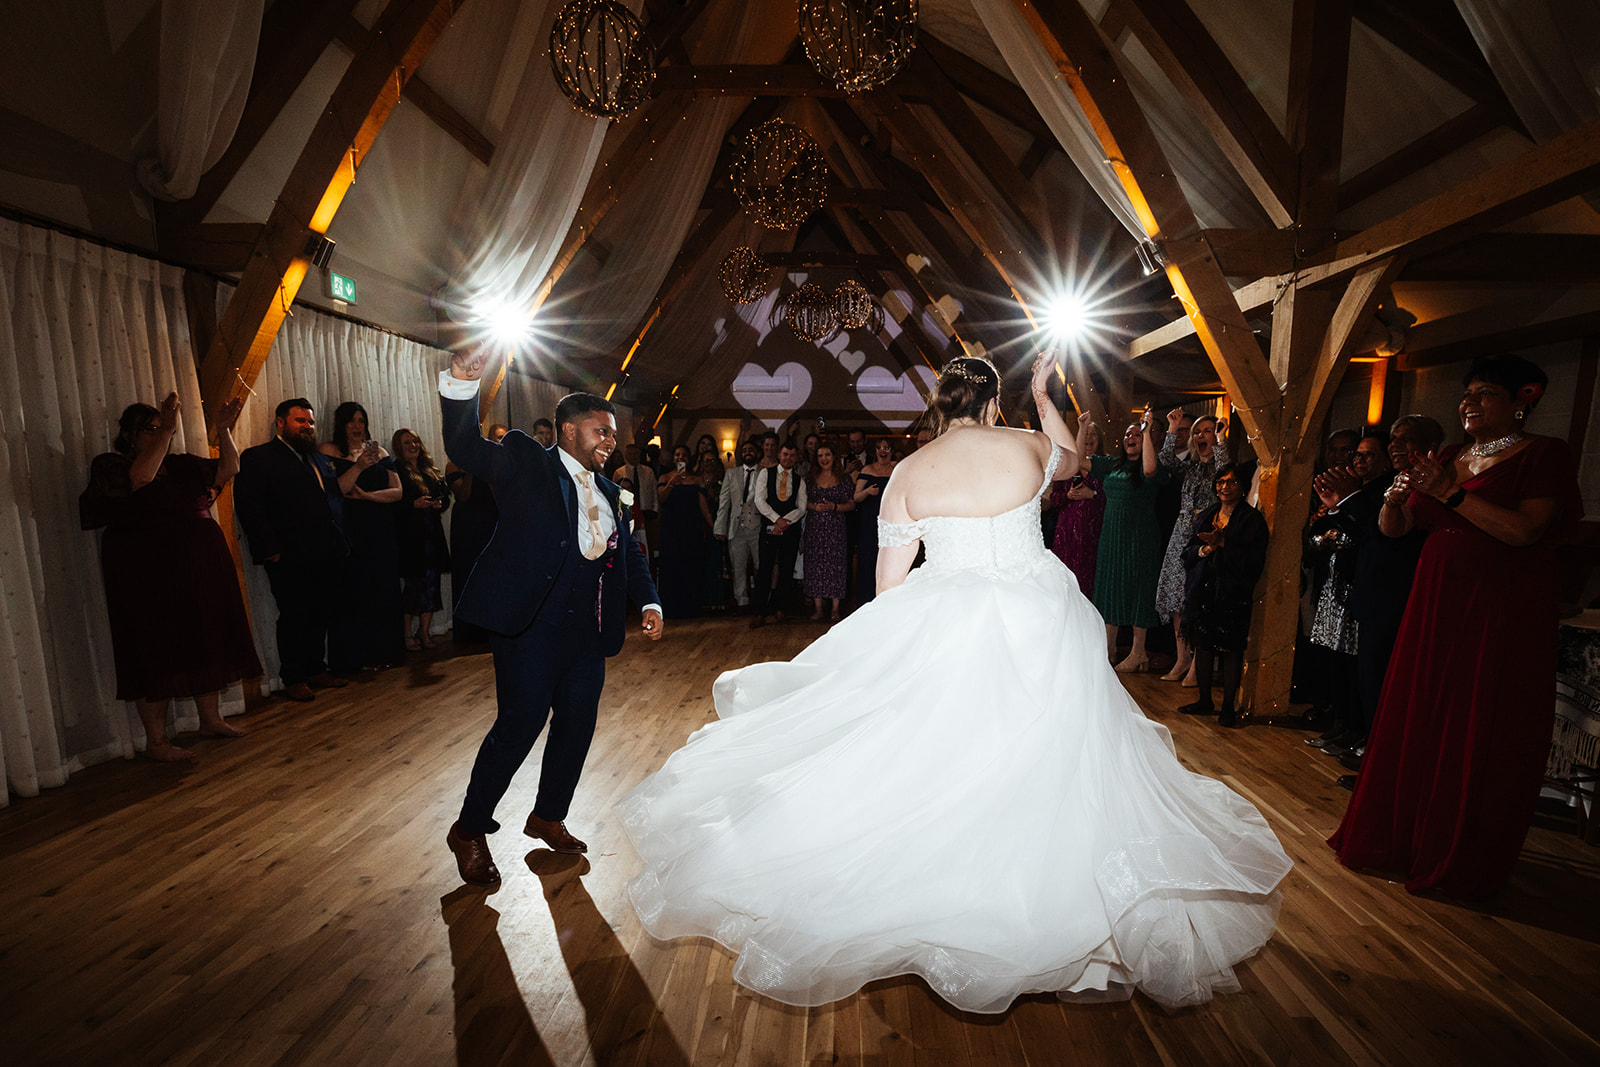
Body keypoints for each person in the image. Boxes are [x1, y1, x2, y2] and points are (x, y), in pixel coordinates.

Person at [619, 353, 1291, 1013]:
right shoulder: (1029, 445)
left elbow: (887, 584)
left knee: (949, 762)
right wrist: (1046, 394)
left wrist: (901, 633)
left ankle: (954, 903)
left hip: (949, 623)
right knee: (1059, 764)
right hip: (1040, 618)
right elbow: (1074, 462)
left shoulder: (909, 471)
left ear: (939, 405)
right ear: (995, 403)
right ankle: (1079, 933)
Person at [1330, 354, 1583, 899]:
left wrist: (1449, 493)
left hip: (1500, 607)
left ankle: (1456, 850)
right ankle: (1400, 838)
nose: (1469, 402)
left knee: (1474, 721)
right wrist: (1394, 502)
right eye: (1467, 392)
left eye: (1486, 392)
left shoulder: (1543, 454)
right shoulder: (1451, 455)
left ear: (1524, 399)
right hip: (1435, 601)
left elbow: (1524, 532)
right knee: (1420, 712)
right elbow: (1397, 531)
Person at [438, 348, 663, 887]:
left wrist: (649, 600)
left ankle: (547, 816)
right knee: (519, 725)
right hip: (529, 625)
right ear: (566, 430)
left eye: (612, 433)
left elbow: (629, 553)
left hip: (590, 629)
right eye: (599, 431)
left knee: (576, 727)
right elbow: (464, 446)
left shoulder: (613, 491)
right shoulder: (523, 461)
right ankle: (469, 829)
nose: (609, 441)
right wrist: (462, 385)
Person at [80, 393, 261, 760]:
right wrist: (167, 429)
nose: (159, 432)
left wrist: (224, 429)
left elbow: (229, 469)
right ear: (129, 436)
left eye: (160, 427)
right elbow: (141, 478)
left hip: (198, 565)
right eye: (149, 429)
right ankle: (157, 741)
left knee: (205, 635)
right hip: (147, 572)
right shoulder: (112, 465)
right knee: (154, 646)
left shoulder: (180, 464)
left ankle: (209, 720)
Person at [235, 397, 351, 702]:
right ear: (281, 422)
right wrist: (268, 548)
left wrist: (341, 541)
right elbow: (250, 507)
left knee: (321, 612)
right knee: (294, 614)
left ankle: (316, 669)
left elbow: (332, 500)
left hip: (327, 550)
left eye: (310, 422)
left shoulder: (316, 458)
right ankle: (294, 676)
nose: (307, 427)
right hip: (288, 553)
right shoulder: (258, 457)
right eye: (300, 421)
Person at [1303, 433, 1392, 756]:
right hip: (1333, 583)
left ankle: (1357, 730)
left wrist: (1341, 512)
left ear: (1386, 460)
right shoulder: (1356, 493)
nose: (1358, 460)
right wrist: (1331, 516)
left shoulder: (1380, 492)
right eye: (1357, 455)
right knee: (1334, 659)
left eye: (1368, 455)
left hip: (1361, 587)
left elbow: (1369, 535)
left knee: (1356, 665)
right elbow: (1320, 533)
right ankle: (1340, 723)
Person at [1176, 466, 1268, 726]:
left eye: (1231, 482)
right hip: (1204, 589)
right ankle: (1204, 700)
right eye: (1220, 482)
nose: (1224, 487)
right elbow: (1188, 552)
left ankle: (1228, 706)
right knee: (1203, 646)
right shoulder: (1207, 515)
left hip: (1233, 591)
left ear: (1242, 487)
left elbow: (1254, 560)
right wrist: (1206, 548)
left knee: (1231, 649)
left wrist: (1225, 544)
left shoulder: (1251, 519)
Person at [320, 402, 405, 671]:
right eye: (352, 421)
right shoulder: (327, 451)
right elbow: (336, 490)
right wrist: (357, 467)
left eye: (361, 420)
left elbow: (398, 491)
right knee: (354, 589)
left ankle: (385, 652)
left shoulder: (378, 451)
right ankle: (355, 658)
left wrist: (368, 496)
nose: (358, 426)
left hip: (380, 526)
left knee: (382, 587)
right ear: (341, 424)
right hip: (349, 527)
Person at [1155, 410, 1229, 684]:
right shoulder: (1192, 467)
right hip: (1180, 532)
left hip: (1205, 533)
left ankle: (1200, 664)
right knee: (1176, 598)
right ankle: (1182, 657)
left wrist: (1220, 441)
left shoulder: (1221, 468)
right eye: (1198, 432)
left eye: (1207, 431)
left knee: (1197, 598)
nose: (1201, 436)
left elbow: (1224, 466)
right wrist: (1172, 428)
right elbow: (1164, 460)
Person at [1089, 413, 1167, 672]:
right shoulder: (1112, 464)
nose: (1130, 438)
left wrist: (1146, 433)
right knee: (1109, 585)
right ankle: (1109, 648)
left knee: (1138, 588)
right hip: (1112, 534)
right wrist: (1080, 428)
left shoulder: (1151, 464)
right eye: (1127, 435)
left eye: (1136, 434)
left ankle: (1138, 652)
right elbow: (1079, 461)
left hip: (1140, 535)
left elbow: (1149, 470)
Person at [445, 423, 509, 644]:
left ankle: (494, 628)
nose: (499, 441)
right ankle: (469, 633)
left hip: (495, 523)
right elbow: (463, 496)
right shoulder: (454, 465)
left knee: (494, 575)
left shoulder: (504, 464)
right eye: (497, 437)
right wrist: (474, 468)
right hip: (468, 526)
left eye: (503, 437)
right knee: (469, 573)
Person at [393, 428, 452, 650]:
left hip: (432, 536)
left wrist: (439, 504)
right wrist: (412, 505)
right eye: (407, 442)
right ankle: (407, 635)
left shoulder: (429, 469)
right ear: (399, 447)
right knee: (413, 587)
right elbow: (393, 505)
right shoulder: (396, 469)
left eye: (415, 441)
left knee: (432, 586)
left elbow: (445, 496)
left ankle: (424, 632)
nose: (412, 445)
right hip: (412, 539)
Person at [749, 440, 806, 627]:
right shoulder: (766, 473)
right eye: (785, 454)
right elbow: (759, 499)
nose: (788, 458)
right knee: (764, 569)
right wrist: (776, 519)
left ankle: (781, 608)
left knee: (786, 569)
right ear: (779, 455)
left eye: (792, 455)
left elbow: (802, 507)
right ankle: (759, 612)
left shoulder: (800, 480)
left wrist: (785, 522)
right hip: (769, 528)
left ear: (796, 458)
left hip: (790, 530)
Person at [1046, 416, 1105, 598]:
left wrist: (1094, 494)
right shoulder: (1068, 467)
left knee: (1090, 581)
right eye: (1085, 434)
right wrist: (1068, 496)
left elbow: (1115, 499)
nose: (1088, 438)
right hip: (1067, 536)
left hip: (1094, 536)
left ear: (1099, 440)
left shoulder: (1106, 466)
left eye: (1093, 434)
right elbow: (1054, 500)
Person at [657, 445, 714, 618]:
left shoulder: (696, 480)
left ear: (689, 459)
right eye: (677, 454)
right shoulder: (665, 477)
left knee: (691, 565)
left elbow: (704, 503)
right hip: (671, 528)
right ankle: (672, 607)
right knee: (672, 565)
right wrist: (671, 483)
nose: (680, 457)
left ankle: (691, 606)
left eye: (684, 455)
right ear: (673, 458)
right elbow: (660, 499)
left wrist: (712, 526)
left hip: (691, 527)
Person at [802, 442, 854, 621]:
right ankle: (818, 608)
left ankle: (835, 609)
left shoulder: (844, 478)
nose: (823, 459)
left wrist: (835, 506)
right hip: (815, 528)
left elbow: (852, 503)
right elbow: (802, 502)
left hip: (836, 529)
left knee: (836, 567)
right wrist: (815, 507)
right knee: (815, 566)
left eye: (827, 455)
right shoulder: (810, 477)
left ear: (834, 457)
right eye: (820, 456)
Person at [714, 440, 764, 611]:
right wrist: (720, 528)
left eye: (751, 450)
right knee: (738, 565)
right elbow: (724, 502)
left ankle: (761, 600)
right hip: (736, 526)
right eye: (744, 451)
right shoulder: (731, 474)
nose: (747, 453)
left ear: (757, 453)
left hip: (758, 526)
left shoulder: (764, 473)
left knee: (760, 565)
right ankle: (741, 600)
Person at [851, 438, 898, 605]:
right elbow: (856, 497)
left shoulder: (897, 469)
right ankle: (865, 600)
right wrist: (868, 492)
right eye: (879, 447)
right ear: (875, 451)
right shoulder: (868, 469)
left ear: (891, 450)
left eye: (886, 447)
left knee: (890, 559)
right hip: (869, 522)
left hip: (891, 520)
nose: (883, 450)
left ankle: (887, 600)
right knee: (868, 559)